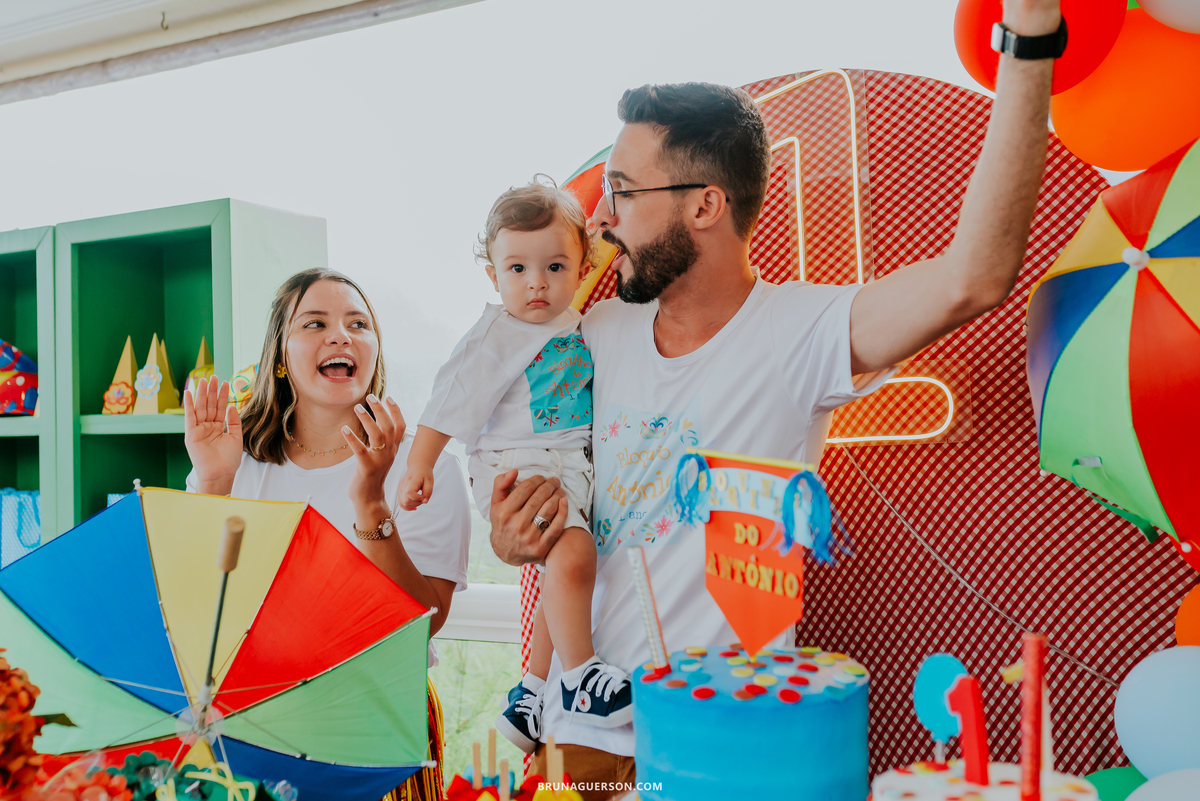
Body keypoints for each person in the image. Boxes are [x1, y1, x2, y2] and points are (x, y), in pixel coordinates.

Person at [486, 0, 1064, 790]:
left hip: (720, 747)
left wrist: (1030, 37)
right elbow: (548, 490)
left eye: (623, 193)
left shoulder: (801, 332)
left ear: (704, 205)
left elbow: (976, 275)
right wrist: (515, 529)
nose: (604, 219)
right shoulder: (597, 331)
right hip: (579, 742)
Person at [183, 268, 470, 801]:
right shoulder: (234, 463)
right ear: (279, 357)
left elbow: (422, 624)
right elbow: (200, 610)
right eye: (314, 323)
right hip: (255, 714)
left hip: (377, 716)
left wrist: (370, 500)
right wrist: (214, 483)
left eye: (358, 323)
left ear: (373, 353)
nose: (340, 335)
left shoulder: (424, 470)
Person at [399, 179, 632, 756]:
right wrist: (420, 464)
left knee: (563, 576)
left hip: (564, 464)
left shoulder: (580, 322)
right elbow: (448, 399)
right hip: (514, 466)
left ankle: (531, 692)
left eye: (554, 266)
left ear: (581, 267)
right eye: (518, 269)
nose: (536, 284)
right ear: (494, 276)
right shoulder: (496, 335)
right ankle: (579, 679)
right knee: (574, 555)